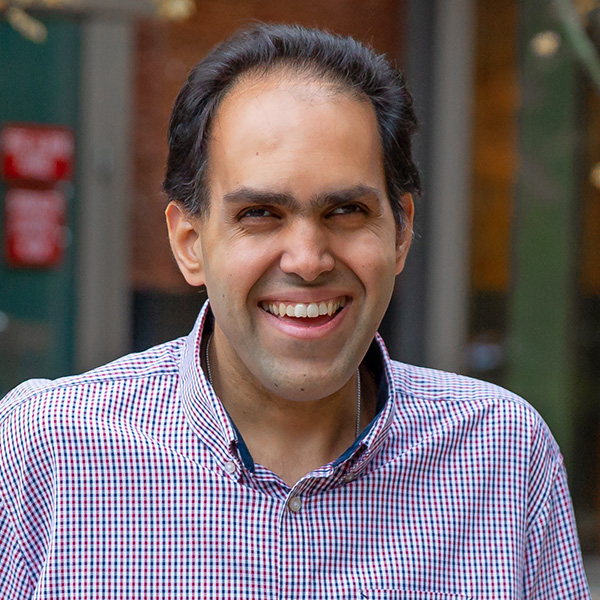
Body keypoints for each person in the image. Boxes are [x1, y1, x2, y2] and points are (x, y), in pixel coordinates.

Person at [0, 23, 591, 599]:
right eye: (260, 213)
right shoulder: (47, 450)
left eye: (346, 211)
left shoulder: (504, 457)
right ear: (189, 243)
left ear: (402, 232)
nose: (308, 260)